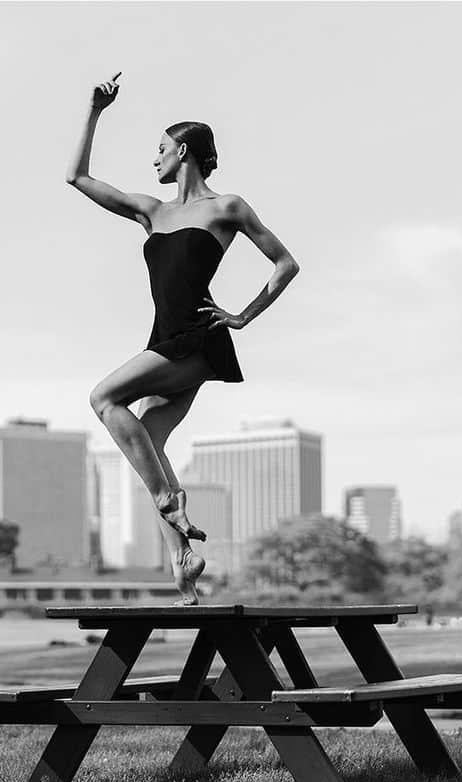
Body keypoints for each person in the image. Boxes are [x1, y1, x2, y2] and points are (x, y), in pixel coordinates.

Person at [66, 72, 300, 605]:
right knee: (149, 441)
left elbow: (286, 264)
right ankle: (185, 566)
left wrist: (243, 316)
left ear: (185, 150)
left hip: (196, 338)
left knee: (103, 397)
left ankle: (171, 500)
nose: (155, 160)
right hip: (164, 335)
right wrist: (94, 112)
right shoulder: (153, 211)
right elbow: (77, 177)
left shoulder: (227, 208)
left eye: (162, 150)